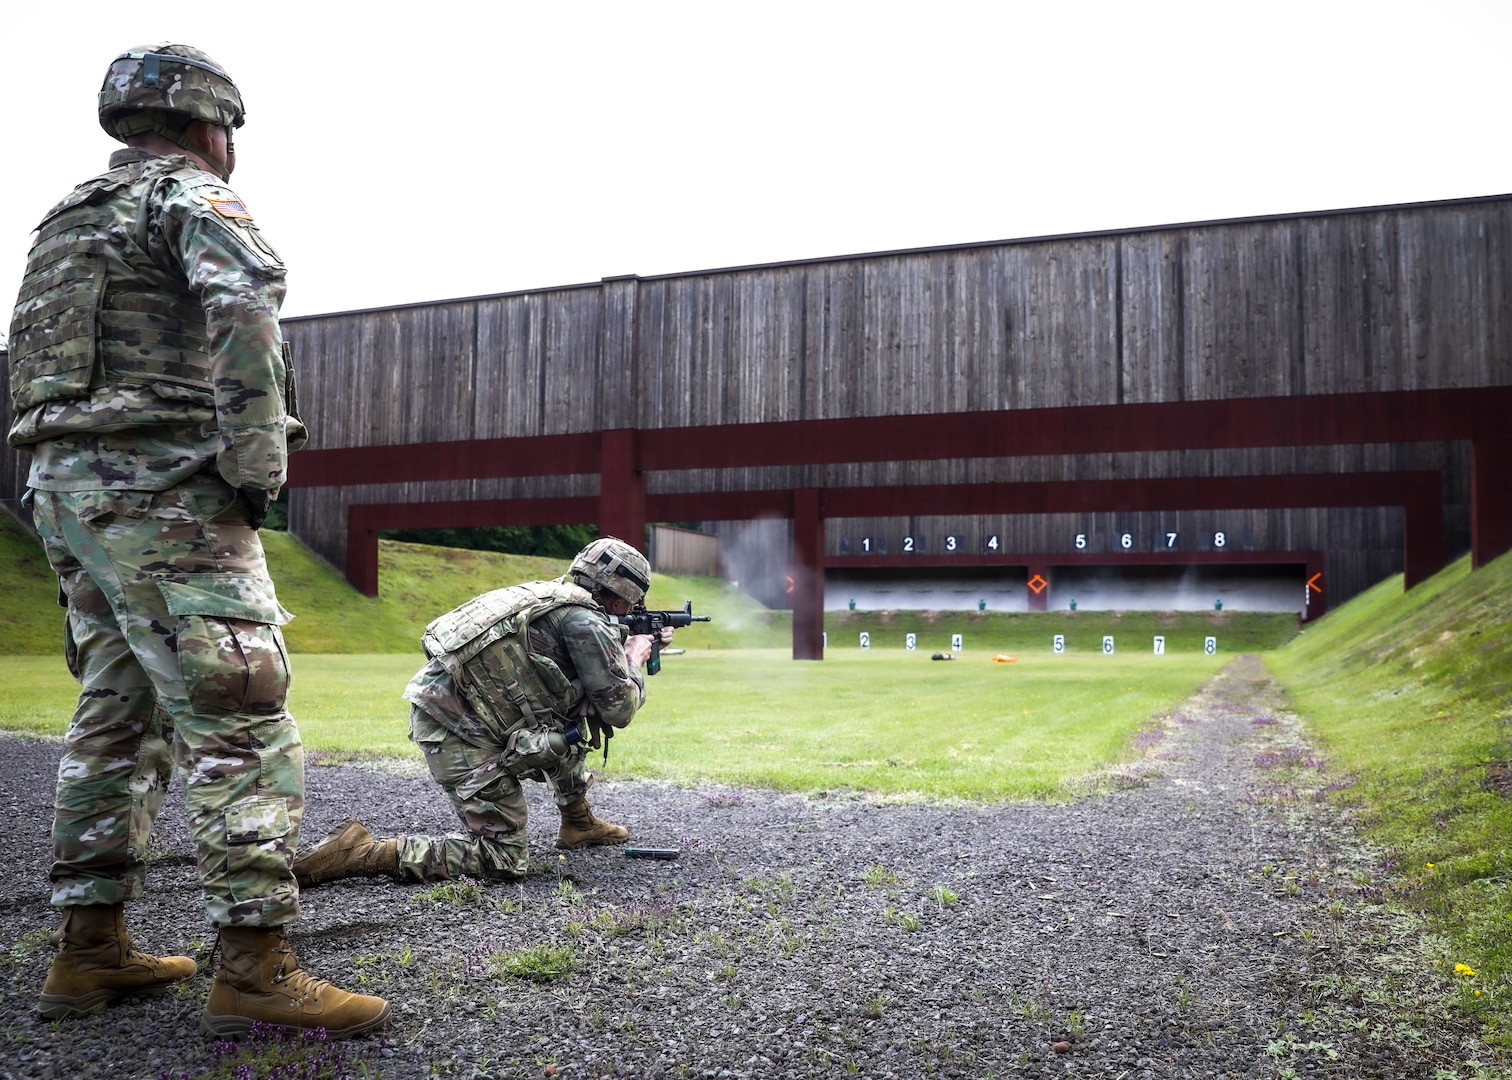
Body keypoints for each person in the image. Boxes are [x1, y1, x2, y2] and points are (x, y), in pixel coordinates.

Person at [7, 44, 388, 1038]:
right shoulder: (192, 196)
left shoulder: (63, 220)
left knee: (115, 714)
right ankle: (254, 966)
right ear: (207, 122)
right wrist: (257, 467)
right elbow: (246, 304)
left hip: (62, 490)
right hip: (164, 488)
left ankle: (89, 951)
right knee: (242, 706)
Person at [293, 537, 669, 887]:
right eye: (632, 603)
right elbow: (619, 708)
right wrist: (634, 658)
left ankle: (578, 821)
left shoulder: (550, 598)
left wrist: (621, 648)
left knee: (568, 721)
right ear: (621, 597)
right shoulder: (586, 620)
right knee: (502, 858)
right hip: (458, 731)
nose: (632, 610)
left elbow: (568, 669)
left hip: (456, 710)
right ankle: (362, 851)